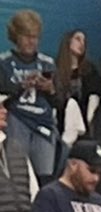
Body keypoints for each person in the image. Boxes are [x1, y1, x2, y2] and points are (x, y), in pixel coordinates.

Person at [0, 12, 59, 183]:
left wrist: (50, 89)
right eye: (26, 36)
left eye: (35, 37)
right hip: (16, 121)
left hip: (43, 124)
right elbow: (2, 96)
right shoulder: (3, 62)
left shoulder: (47, 63)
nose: (31, 41)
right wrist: (21, 87)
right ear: (15, 36)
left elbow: (59, 102)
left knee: (45, 177)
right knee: (18, 174)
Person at [53, 28, 100, 133]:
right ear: (68, 41)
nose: (82, 43)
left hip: (83, 120)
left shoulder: (89, 70)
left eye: (84, 41)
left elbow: (94, 94)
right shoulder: (55, 68)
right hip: (60, 120)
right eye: (78, 39)